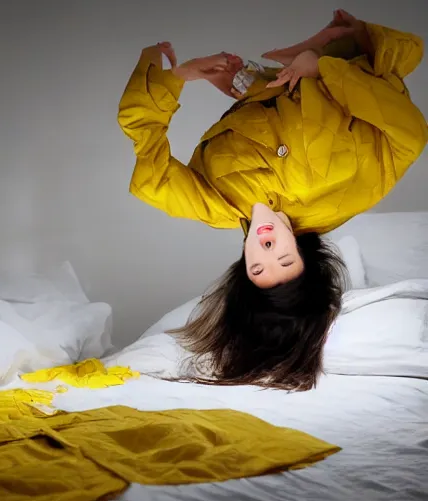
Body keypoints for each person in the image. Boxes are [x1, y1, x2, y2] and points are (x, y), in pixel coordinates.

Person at [117, 10, 427, 391]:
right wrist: (324, 70)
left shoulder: (214, 205)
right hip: (338, 75)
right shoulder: (344, 197)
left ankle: (318, 48)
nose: (265, 245)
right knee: (400, 54)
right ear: (303, 253)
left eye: (258, 267)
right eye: (282, 257)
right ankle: (340, 41)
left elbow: (148, 158)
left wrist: (184, 77)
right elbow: (409, 134)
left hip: (270, 85)